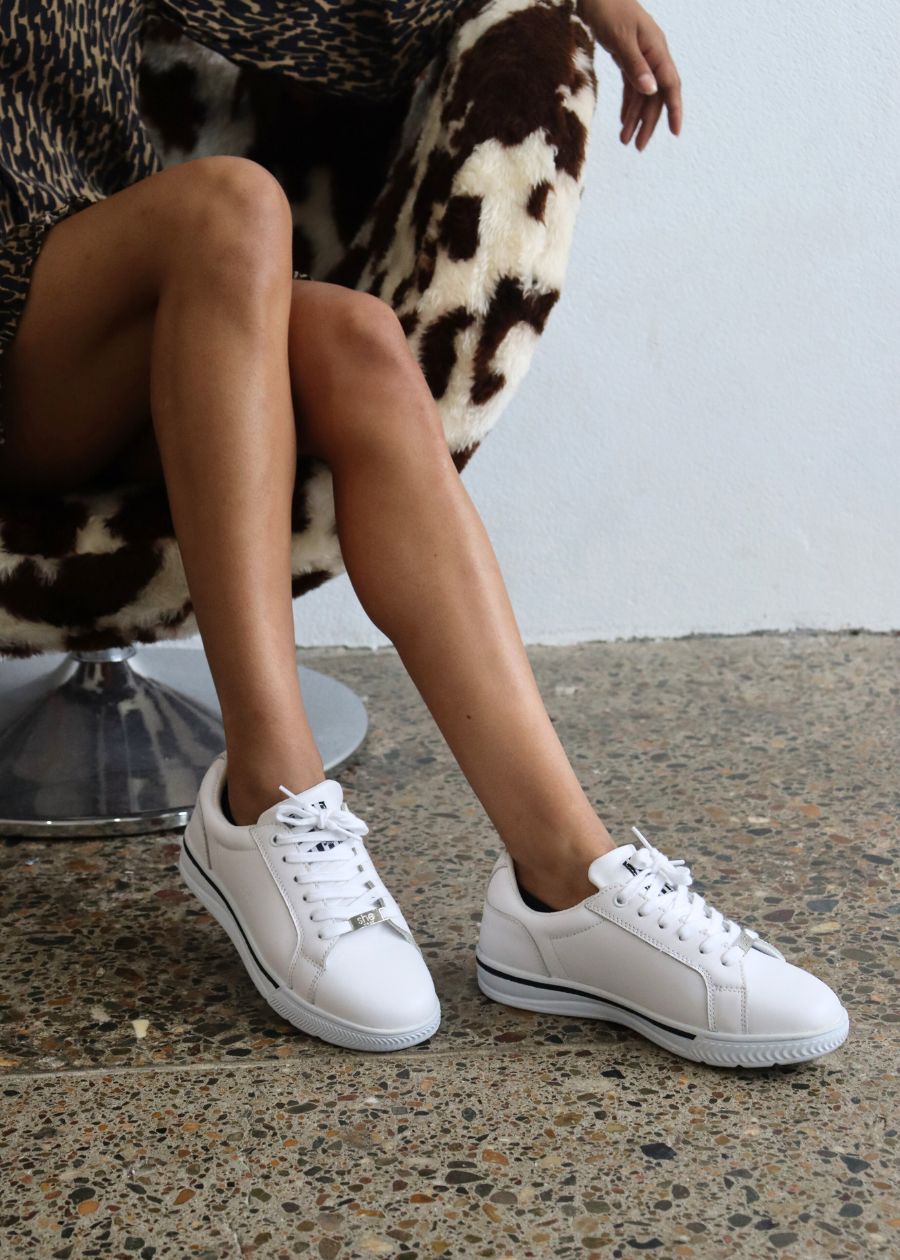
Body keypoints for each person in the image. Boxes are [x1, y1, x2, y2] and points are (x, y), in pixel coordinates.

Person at [0, 0, 848, 1065]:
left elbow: (348, 21)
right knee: (231, 206)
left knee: (357, 338)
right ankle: (270, 789)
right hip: (21, 349)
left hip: (105, 302)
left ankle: (564, 883)